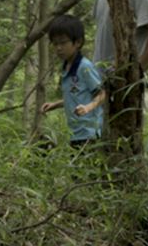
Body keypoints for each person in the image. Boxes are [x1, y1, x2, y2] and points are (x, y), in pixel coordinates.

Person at [41, 15, 105, 148]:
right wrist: (55, 104)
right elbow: (77, 96)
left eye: (63, 43)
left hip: (90, 133)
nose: (58, 48)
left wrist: (88, 108)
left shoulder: (84, 67)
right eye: (55, 43)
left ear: (78, 42)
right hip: (75, 133)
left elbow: (102, 93)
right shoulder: (66, 67)